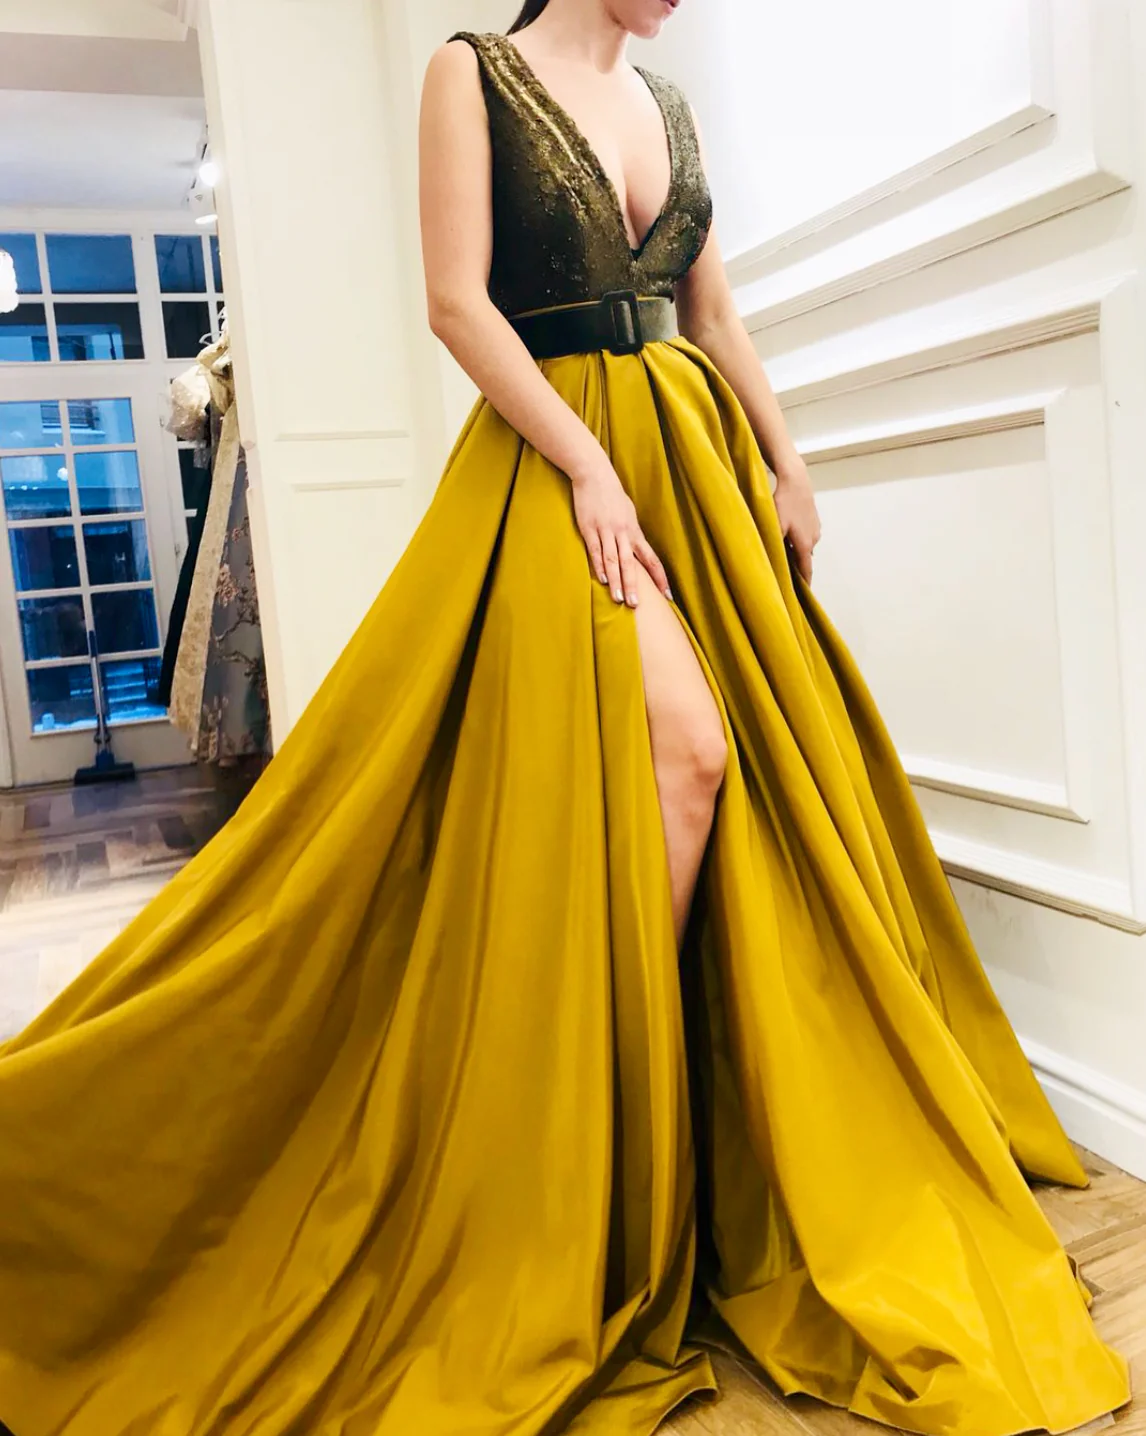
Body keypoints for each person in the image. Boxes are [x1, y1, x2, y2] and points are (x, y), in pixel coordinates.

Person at [0, 1, 1133, 1433]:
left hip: (693, 463)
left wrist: (785, 461)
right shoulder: (468, 71)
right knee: (688, 753)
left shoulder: (666, 101)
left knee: (755, 795)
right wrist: (589, 465)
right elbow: (456, 302)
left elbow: (714, 314)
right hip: (561, 467)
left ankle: (705, 1143)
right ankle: (589, 1135)